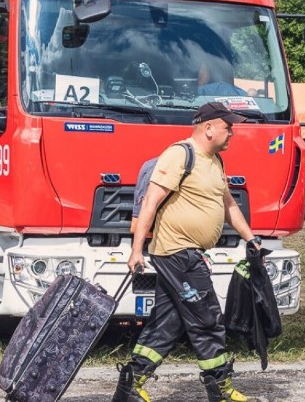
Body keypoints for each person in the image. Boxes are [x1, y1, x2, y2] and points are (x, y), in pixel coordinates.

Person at [113, 101, 262, 402]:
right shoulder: (180, 154)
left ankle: (130, 386)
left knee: (167, 323)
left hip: (187, 253)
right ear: (208, 128)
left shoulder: (215, 161)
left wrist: (251, 239)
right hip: (178, 253)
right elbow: (150, 203)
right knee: (207, 319)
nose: (232, 132)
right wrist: (136, 250)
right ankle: (220, 389)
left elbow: (228, 204)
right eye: (227, 126)